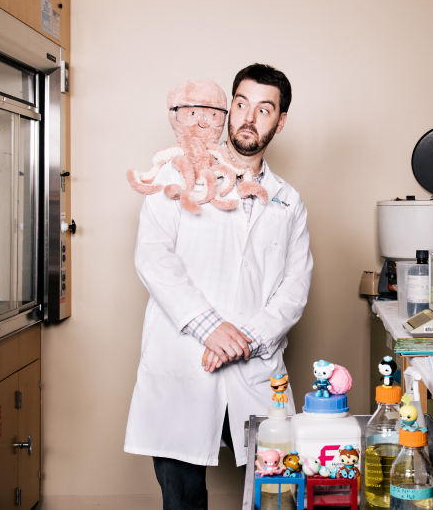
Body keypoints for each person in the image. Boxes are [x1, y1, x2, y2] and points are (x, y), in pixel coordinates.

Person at [124, 64, 313, 510]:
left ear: (280, 121)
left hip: (254, 362)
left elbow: (295, 286)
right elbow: (153, 257)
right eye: (242, 104)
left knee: (274, 494)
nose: (249, 117)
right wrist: (209, 328)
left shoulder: (288, 201)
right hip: (186, 358)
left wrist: (242, 339)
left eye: (264, 109)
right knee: (183, 499)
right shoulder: (178, 176)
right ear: (229, 109)